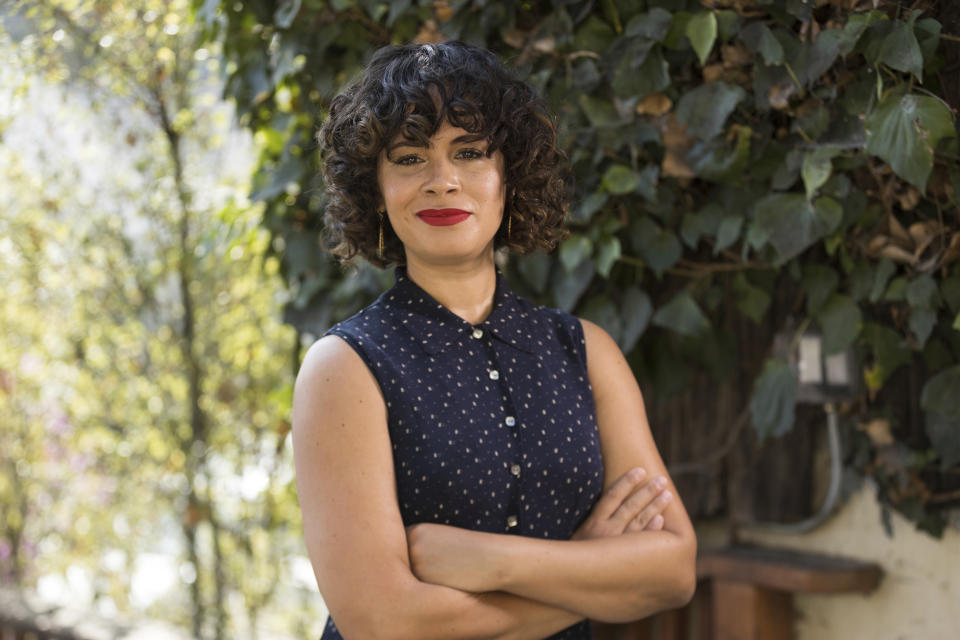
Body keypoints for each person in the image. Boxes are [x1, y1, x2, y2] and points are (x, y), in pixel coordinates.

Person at [292, 41, 696, 640]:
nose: (442, 180)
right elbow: (382, 623)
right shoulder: (343, 368)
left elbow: (673, 571)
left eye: (470, 152)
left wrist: (493, 562)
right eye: (409, 158)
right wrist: (591, 571)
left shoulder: (587, 351)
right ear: (375, 189)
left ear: (511, 175)